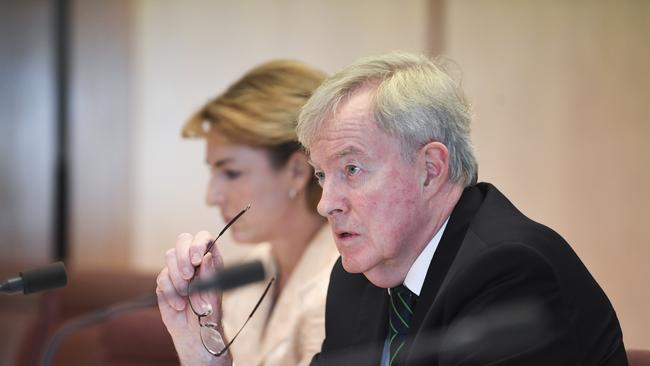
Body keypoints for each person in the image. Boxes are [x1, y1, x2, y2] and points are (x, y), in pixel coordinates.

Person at [158, 52, 628, 366]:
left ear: (430, 168)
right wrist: (204, 351)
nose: (325, 203)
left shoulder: (511, 273)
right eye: (323, 175)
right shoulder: (362, 275)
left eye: (353, 170)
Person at [155, 60, 339, 366]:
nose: (211, 197)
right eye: (213, 173)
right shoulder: (253, 268)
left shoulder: (343, 284)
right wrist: (197, 349)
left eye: (231, 173)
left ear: (296, 171)